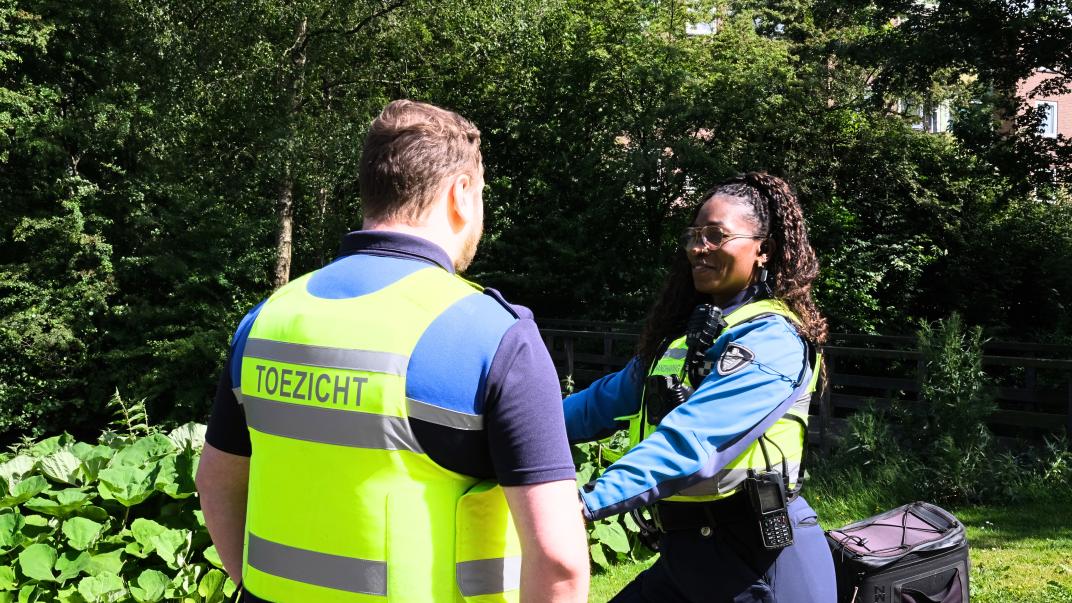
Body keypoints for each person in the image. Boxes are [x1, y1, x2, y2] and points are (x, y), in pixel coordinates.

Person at [196, 99, 589, 603]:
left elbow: (216, 483)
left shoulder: (268, 319)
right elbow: (558, 561)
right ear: (461, 193)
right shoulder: (492, 336)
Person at [564, 172, 836, 602]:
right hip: (691, 554)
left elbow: (694, 441)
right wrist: (509, 425)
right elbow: (596, 405)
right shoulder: (681, 342)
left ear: (762, 249)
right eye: (693, 235)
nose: (697, 247)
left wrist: (585, 504)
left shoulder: (774, 340)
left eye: (715, 235)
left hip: (759, 562)